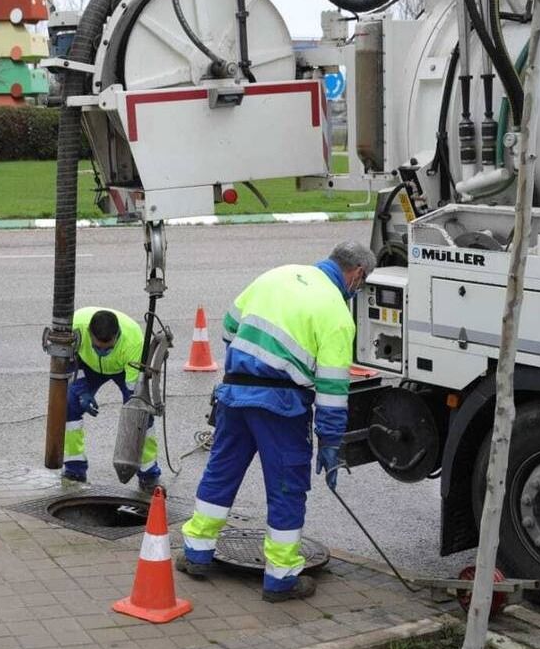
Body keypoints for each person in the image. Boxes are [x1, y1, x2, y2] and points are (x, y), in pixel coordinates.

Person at [177, 241, 375, 602]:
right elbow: (332, 390)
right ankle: (281, 578)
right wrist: (330, 443)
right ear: (357, 275)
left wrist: (246, 368)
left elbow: (229, 327)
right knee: (287, 487)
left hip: (235, 396)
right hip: (282, 408)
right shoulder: (336, 313)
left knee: (221, 472)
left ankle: (196, 554)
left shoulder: (278, 274)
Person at [62, 307, 161, 487]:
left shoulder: (133, 343)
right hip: (87, 365)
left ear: (117, 336)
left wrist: (134, 410)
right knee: (68, 405)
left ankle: (148, 473)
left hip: (123, 369)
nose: (102, 351)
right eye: (97, 347)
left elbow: (134, 392)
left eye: (108, 348)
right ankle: (74, 468)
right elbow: (69, 363)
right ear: (89, 334)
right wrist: (81, 391)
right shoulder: (75, 328)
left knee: (142, 415)